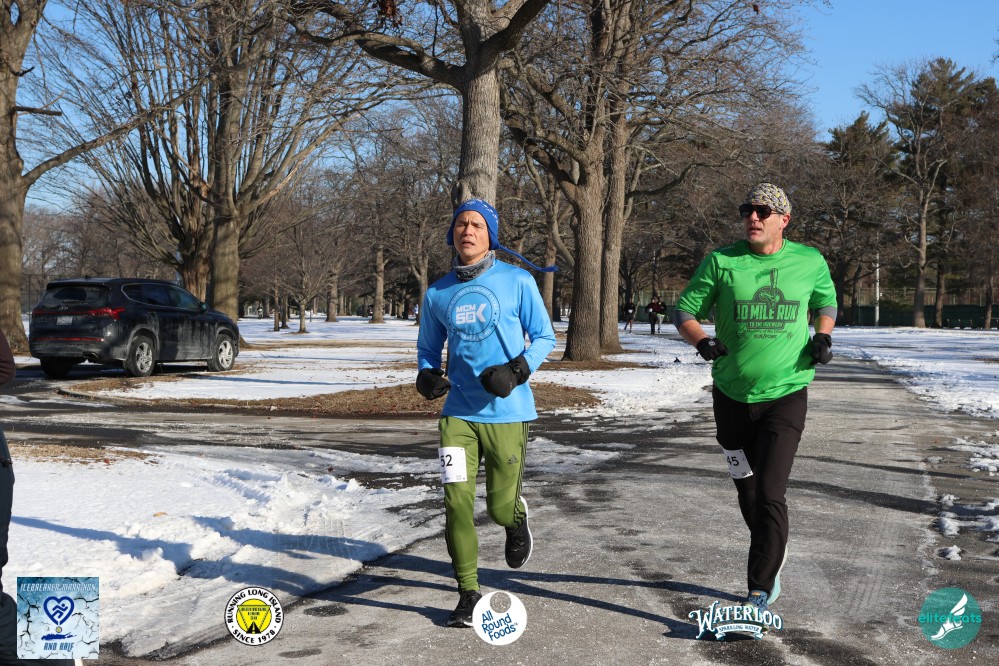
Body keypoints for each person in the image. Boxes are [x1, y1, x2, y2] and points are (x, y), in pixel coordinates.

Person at [673, 183, 836, 616]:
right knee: (746, 489)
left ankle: (758, 593)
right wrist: (701, 341)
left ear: (784, 220)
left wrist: (823, 336)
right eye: (748, 210)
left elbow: (827, 303)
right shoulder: (722, 261)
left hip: (786, 393)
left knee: (769, 492)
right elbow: (685, 310)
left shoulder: (809, 260)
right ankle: (771, 548)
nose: (753, 217)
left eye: (763, 211)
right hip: (730, 397)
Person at [416, 198, 556, 628]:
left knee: (498, 507)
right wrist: (426, 375)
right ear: (452, 233)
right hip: (457, 415)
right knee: (456, 502)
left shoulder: (517, 281)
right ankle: (467, 592)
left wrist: (516, 371)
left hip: (507, 412)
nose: (468, 231)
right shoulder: (438, 292)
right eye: (461, 224)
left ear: (490, 235)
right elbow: (428, 350)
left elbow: (545, 337)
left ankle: (515, 520)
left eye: (477, 224)